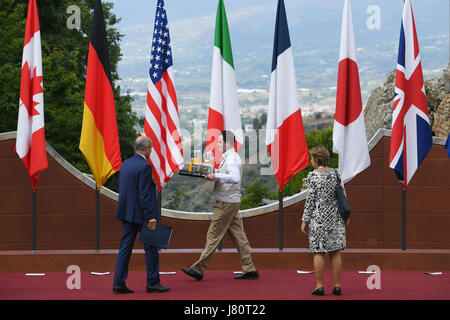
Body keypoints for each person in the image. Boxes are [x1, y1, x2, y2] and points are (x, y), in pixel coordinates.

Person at [181, 130, 259, 281]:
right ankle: (250, 269)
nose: (217, 144)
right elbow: (228, 175)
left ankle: (198, 269)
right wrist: (212, 172)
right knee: (239, 237)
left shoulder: (231, 158)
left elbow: (234, 178)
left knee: (213, 235)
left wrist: (215, 175)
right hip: (231, 201)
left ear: (227, 143)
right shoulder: (230, 158)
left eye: (219, 141)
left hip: (225, 203)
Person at [113, 136, 170, 294]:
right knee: (151, 248)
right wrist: (150, 216)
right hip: (142, 215)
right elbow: (144, 193)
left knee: (125, 248)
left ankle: (118, 283)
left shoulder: (125, 164)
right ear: (145, 148)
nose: (151, 151)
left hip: (126, 213)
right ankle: (153, 282)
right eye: (151, 148)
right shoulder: (145, 166)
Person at [301, 146, 349, 296]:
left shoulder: (313, 176)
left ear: (316, 159)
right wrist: (346, 216)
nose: (311, 161)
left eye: (311, 158)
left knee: (319, 252)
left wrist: (304, 221)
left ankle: (319, 286)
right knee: (335, 252)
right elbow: (343, 196)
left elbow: (310, 201)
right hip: (336, 218)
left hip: (318, 219)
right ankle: (336, 285)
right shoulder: (336, 173)